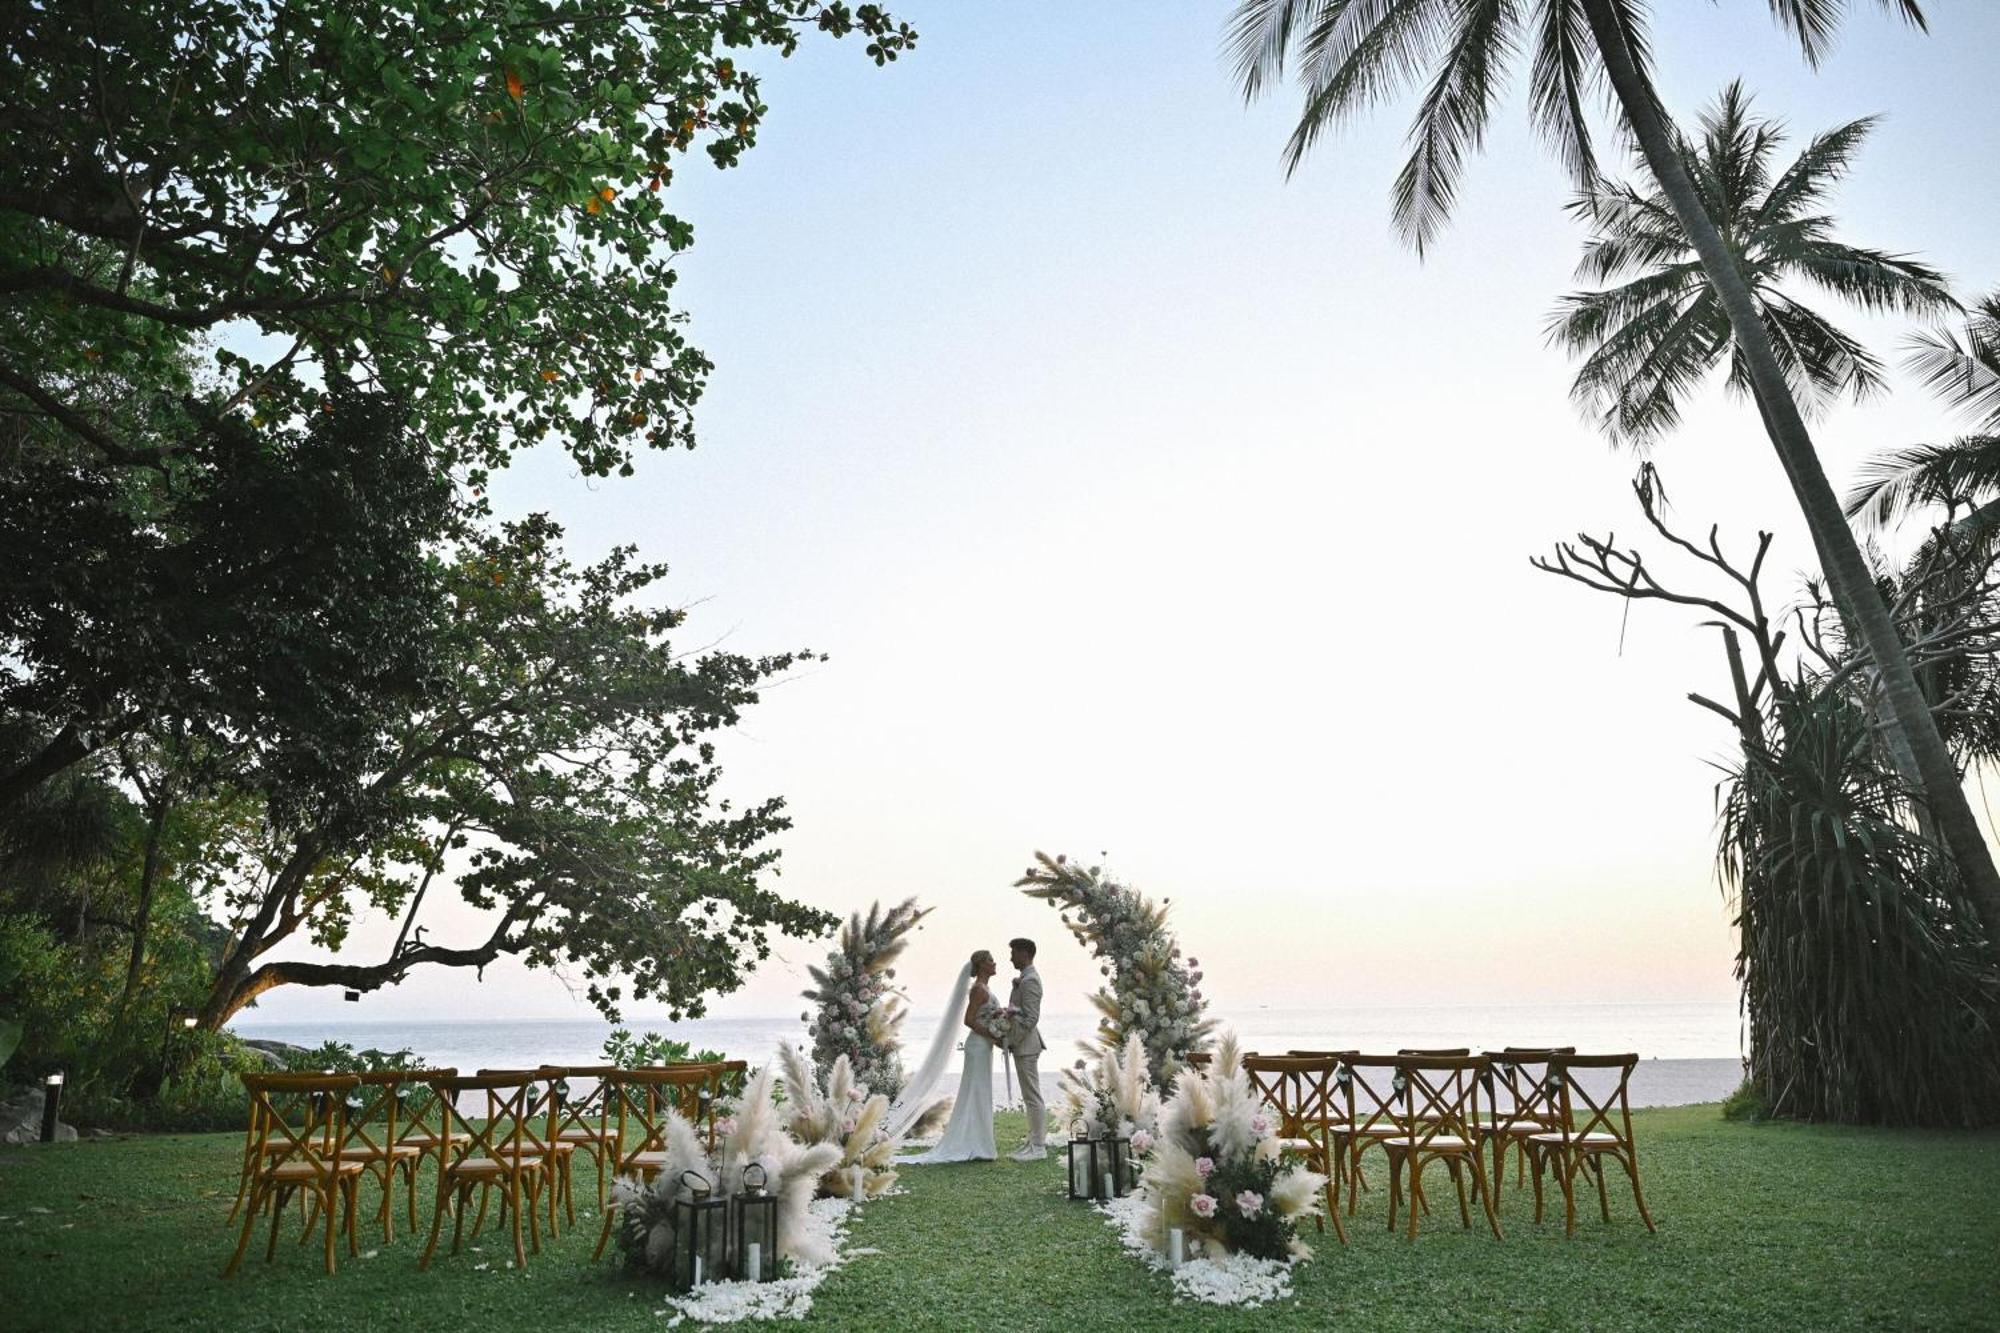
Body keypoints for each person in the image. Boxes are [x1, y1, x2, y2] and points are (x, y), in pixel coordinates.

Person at [894, 949, 1001, 1163]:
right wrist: (992, 1033)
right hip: (978, 1046)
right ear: (981, 965)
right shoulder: (979, 990)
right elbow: (969, 1020)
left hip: (984, 1046)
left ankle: (978, 1141)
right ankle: (976, 1144)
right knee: (976, 1091)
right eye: (990, 960)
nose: (995, 963)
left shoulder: (985, 988)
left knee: (979, 1091)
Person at [1002, 936, 1047, 1160]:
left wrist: (1012, 1040)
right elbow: (1020, 1012)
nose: (1010, 957)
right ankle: (1032, 1141)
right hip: (1024, 1046)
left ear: (1025, 954)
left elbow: (1030, 1019)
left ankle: (1038, 1147)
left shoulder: (1030, 981)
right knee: (1029, 1096)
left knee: (1032, 1097)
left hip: (1027, 1046)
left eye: (1013, 953)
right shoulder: (1024, 979)